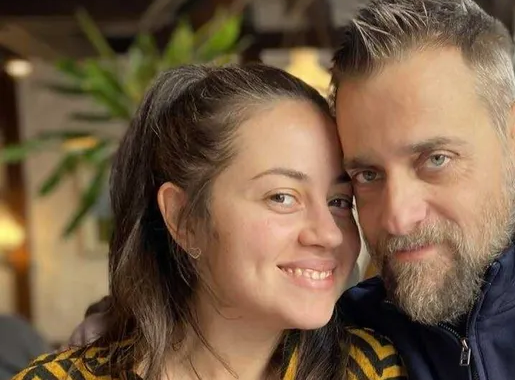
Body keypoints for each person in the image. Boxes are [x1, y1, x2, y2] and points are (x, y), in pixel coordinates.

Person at [70, 0, 515, 380]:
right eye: (366, 176)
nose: (398, 214)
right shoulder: (356, 333)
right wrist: (120, 327)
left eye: (435, 159)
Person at [13, 64, 405, 380]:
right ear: (184, 218)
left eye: (339, 201)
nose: (329, 233)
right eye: (281, 197)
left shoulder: (372, 368)